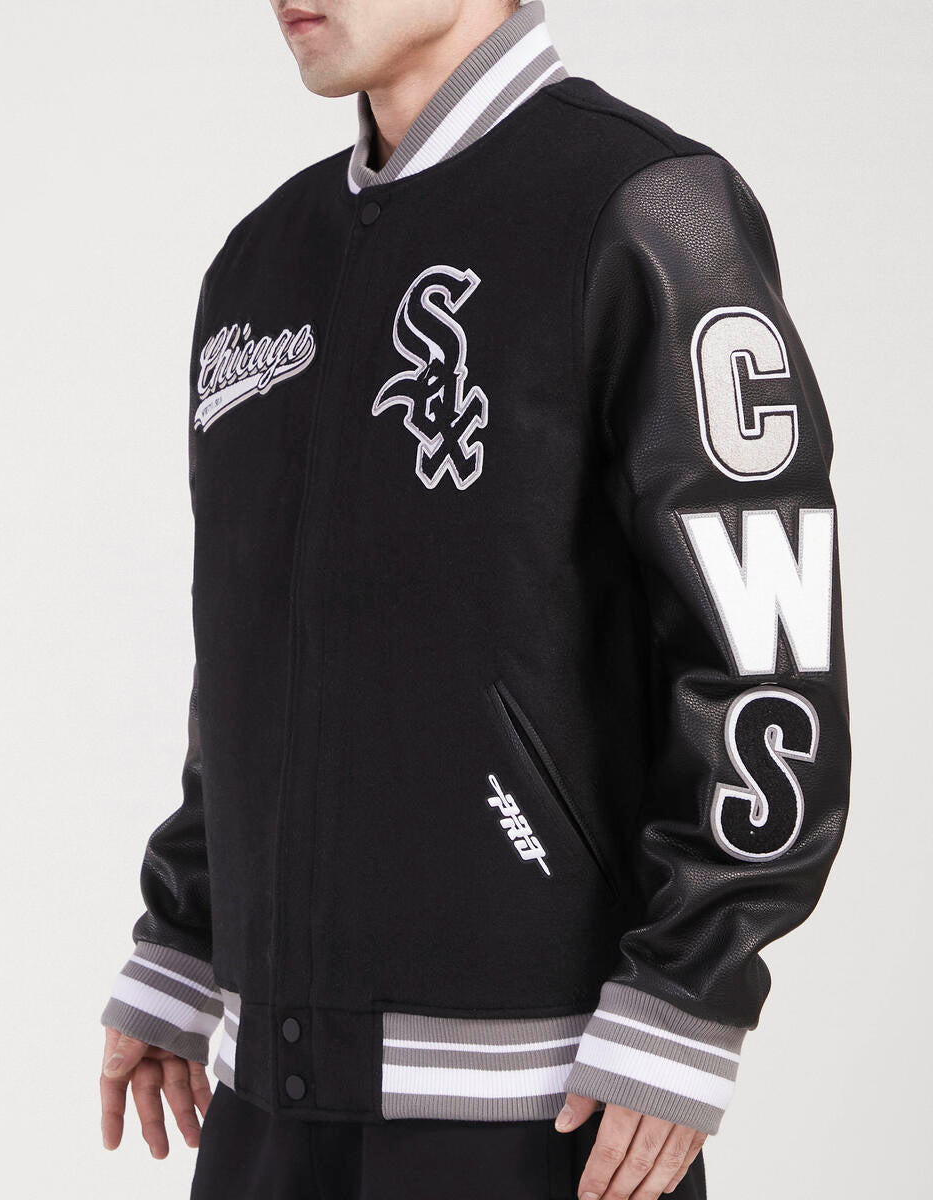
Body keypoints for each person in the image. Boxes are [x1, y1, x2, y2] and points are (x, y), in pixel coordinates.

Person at [98, 2, 851, 1197]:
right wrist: (187, 930)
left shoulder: (645, 209)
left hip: (542, 1104)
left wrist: (690, 986)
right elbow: (252, 647)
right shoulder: (261, 260)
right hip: (264, 1099)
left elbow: (768, 633)